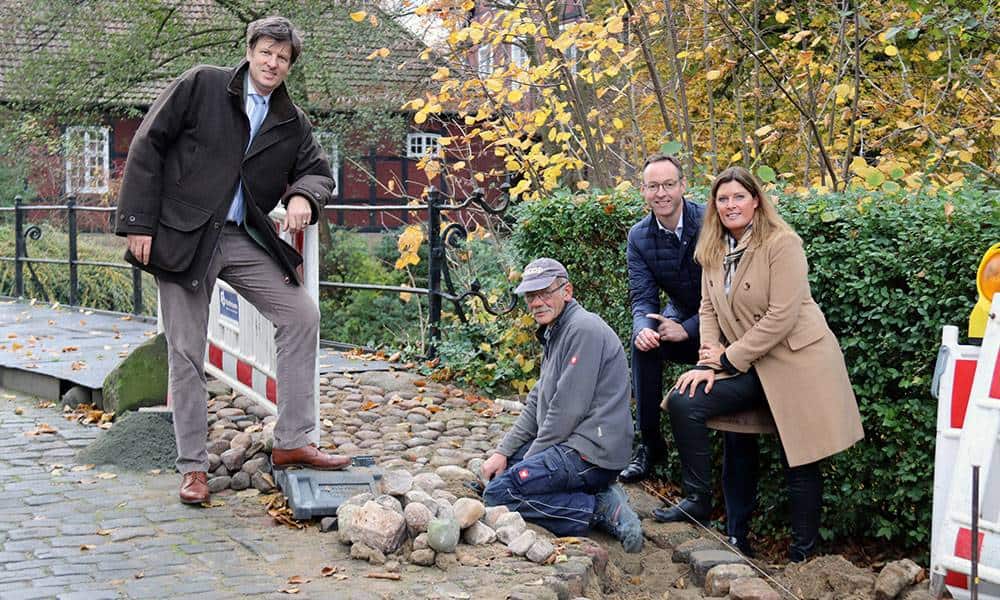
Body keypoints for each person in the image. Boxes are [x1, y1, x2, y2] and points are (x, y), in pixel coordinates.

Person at [115, 16, 349, 505]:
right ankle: (194, 468)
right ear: (249, 50)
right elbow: (147, 142)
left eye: (282, 57)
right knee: (186, 350)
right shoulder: (202, 84)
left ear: (289, 66)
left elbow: (317, 171)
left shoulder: (291, 121)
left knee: (301, 314)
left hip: (242, 238)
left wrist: (305, 195)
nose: (272, 62)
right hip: (183, 237)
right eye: (266, 51)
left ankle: (292, 442)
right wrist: (138, 222)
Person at [653, 166, 864, 562]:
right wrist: (708, 363)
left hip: (798, 363)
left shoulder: (783, 244)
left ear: (755, 201)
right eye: (722, 198)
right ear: (714, 206)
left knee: (800, 455)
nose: (730, 205)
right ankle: (708, 509)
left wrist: (729, 357)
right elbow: (708, 309)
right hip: (748, 363)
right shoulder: (713, 248)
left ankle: (804, 557)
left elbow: (782, 315)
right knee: (687, 401)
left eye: (738, 197)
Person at [480, 258, 644, 553]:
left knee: (499, 493)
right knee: (503, 472)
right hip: (571, 445)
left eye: (545, 293)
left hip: (591, 453)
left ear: (566, 291)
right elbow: (536, 404)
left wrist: (527, 464)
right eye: (531, 296)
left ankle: (598, 508)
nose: (537, 302)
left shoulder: (583, 330)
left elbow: (566, 413)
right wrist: (502, 452)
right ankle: (595, 492)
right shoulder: (556, 330)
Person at [620, 155, 704, 483]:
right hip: (682, 313)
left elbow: (728, 294)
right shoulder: (639, 237)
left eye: (669, 184)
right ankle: (650, 444)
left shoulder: (711, 221)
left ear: (683, 186)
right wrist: (644, 328)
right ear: (643, 191)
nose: (662, 193)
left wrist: (688, 329)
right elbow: (643, 298)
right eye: (653, 186)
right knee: (644, 344)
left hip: (725, 320)